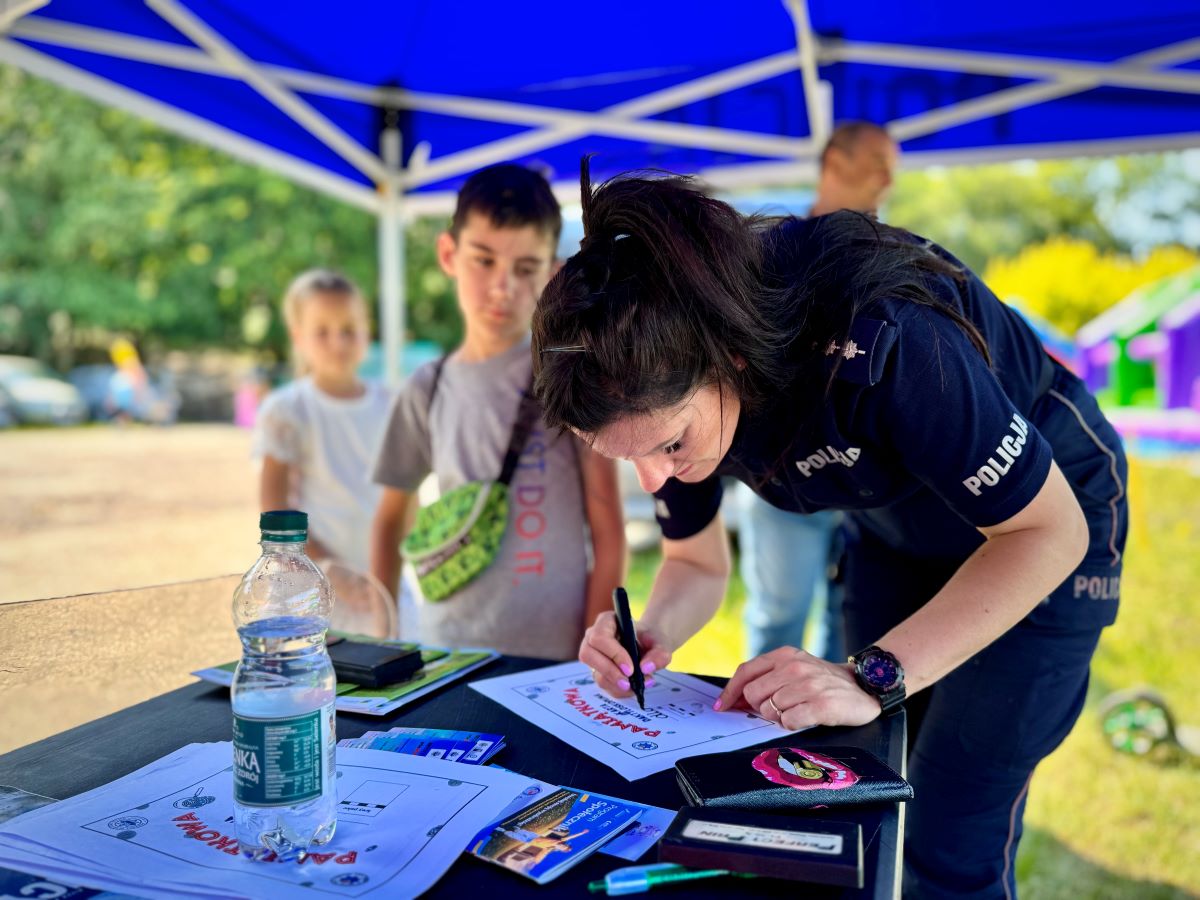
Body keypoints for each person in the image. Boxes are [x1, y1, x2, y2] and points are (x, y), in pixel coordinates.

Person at [532, 164, 1126, 898]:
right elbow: (695, 561)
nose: (656, 480)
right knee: (858, 788)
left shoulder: (890, 336)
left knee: (950, 827)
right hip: (896, 524)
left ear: (733, 357)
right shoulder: (664, 370)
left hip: (1048, 513)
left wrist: (876, 674)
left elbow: (1047, 533)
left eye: (670, 446)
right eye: (626, 460)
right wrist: (652, 633)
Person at [371, 164, 625, 660]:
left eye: (525, 268)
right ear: (449, 254)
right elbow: (389, 520)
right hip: (447, 654)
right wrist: (383, 634)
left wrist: (587, 657)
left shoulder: (570, 375)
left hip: (554, 664)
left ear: (552, 272)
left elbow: (609, 531)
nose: (502, 286)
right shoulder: (425, 390)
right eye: (483, 260)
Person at [739, 121, 900, 663]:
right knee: (778, 615)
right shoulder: (774, 253)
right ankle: (757, 715)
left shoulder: (892, 255)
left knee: (848, 622)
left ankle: (830, 719)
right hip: (783, 473)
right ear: (834, 161)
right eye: (878, 163)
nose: (888, 179)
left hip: (870, 483)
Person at [253, 269, 393, 578]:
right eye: (322, 332)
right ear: (298, 337)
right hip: (312, 585)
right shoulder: (286, 410)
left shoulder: (390, 404)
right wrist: (335, 575)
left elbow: (403, 501)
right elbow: (275, 511)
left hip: (384, 579)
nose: (338, 342)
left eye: (349, 329)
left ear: (367, 330)